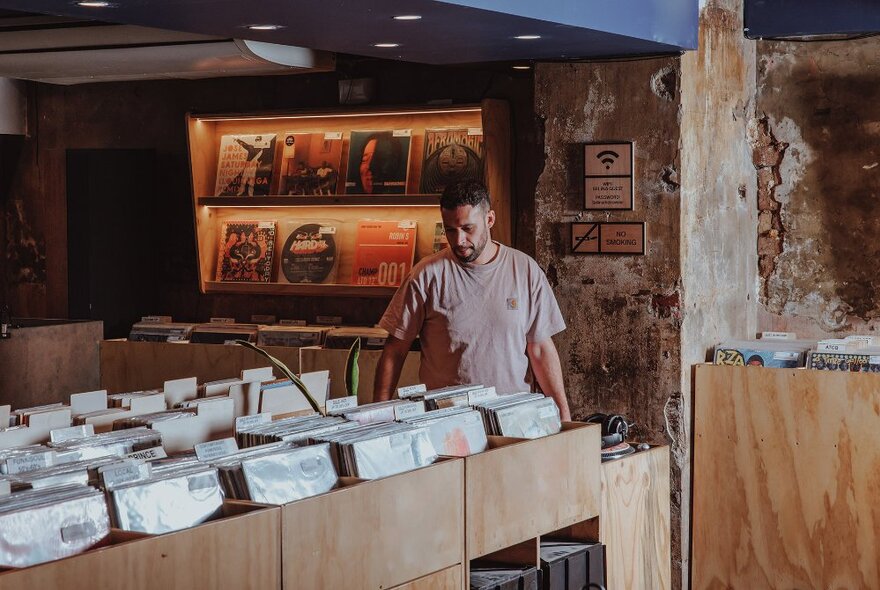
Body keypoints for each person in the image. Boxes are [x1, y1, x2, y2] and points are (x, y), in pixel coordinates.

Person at [373, 180, 572, 420]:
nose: (459, 241)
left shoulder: (525, 270)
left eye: (468, 228)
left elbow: (540, 348)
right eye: (450, 230)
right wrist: (378, 417)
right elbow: (395, 350)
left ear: (489, 220)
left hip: (515, 418)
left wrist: (563, 415)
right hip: (447, 420)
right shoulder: (426, 275)